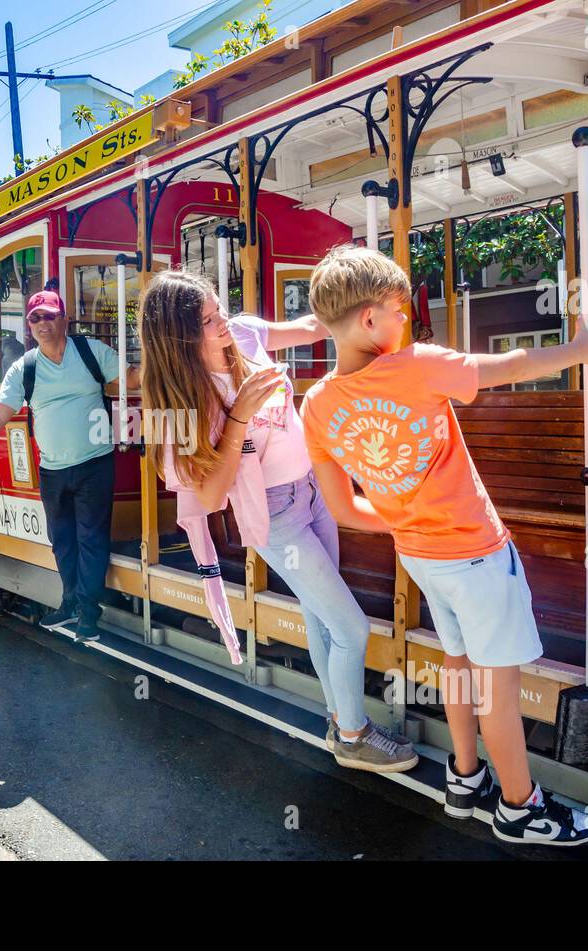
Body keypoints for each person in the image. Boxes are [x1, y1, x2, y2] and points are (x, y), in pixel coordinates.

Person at [301, 246, 588, 845]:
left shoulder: (315, 406)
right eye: (399, 311)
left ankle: (465, 779)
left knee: (459, 664)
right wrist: (582, 351)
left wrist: (404, 520)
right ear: (369, 319)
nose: (405, 322)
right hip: (477, 553)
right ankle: (521, 808)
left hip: (419, 557)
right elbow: (507, 368)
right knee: (498, 683)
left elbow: (342, 508)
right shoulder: (414, 365)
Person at [138, 269, 416, 772]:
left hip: (313, 490)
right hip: (275, 515)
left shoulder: (240, 332)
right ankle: (354, 736)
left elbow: (313, 325)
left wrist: (365, 298)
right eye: (208, 318)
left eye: (219, 306)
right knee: (351, 628)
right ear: (178, 335)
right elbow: (211, 493)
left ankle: (342, 723)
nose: (222, 319)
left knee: (321, 619)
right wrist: (240, 413)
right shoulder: (178, 403)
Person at [0, 289, 139, 644]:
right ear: (29, 326)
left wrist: (175, 365)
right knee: (62, 542)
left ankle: (88, 613)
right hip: (52, 470)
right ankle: (69, 601)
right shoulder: (24, 367)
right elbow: (0, 412)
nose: (42, 323)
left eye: (49, 316)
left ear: (64, 320)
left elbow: (130, 377)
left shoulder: (88, 352)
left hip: (94, 464)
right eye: (35, 318)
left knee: (91, 538)